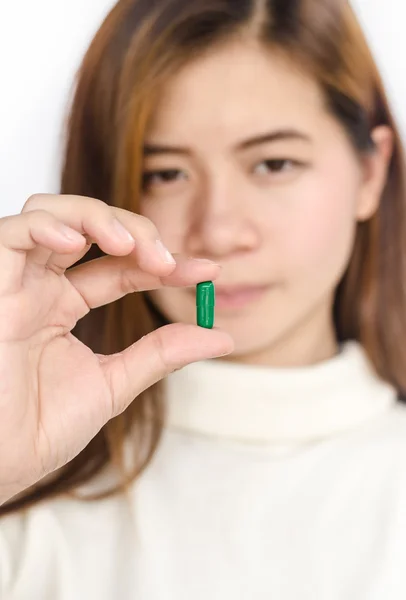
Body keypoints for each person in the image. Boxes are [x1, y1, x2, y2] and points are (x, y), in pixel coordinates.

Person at [1, 0, 406, 597]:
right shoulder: (25, 502)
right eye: (165, 174)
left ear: (370, 174)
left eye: (273, 163)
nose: (217, 230)